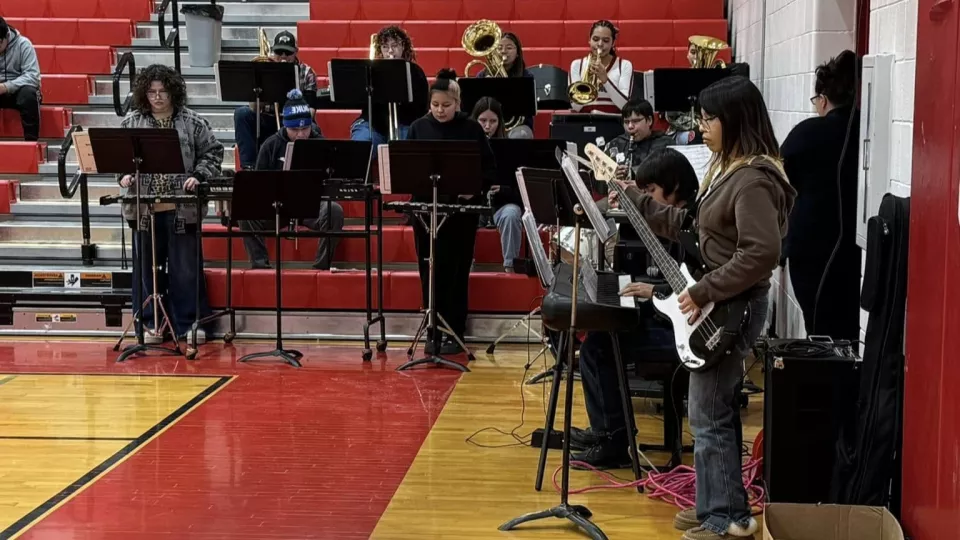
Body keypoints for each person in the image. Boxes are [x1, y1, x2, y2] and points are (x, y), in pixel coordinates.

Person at [612, 76, 795, 540]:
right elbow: (688, 226)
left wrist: (704, 290)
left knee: (709, 415)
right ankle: (721, 505)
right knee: (713, 413)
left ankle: (723, 519)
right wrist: (634, 197)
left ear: (734, 120)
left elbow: (761, 253)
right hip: (722, 302)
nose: (701, 125)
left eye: (709, 117)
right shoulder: (727, 168)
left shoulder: (753, 178)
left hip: (732, 307)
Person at [570, 148, 700, 469]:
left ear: (675, 188)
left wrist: (653, 290)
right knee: (601, 336)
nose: (648, 202)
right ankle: (608, 431)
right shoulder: (682, 218)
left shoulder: (693, 227)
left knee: (601, 347)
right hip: (673, 318)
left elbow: (700, 286)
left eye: (651, 193)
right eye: (642, 193)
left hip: (689, 334)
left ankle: (614, 439)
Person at [118, 64, 224, 344]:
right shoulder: (132, 123)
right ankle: (151, 324)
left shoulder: (194, 122)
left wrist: (199, 175)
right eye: (152, 92)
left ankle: (190, 323)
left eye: (163, 91)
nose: (157, 97)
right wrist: (124, 176)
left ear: (173, 92)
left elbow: (214, 154)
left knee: (185, 268)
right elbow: (118, 160)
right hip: (144, 210)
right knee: (146, 270)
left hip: (182, 209)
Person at [407, 69, 496, 355]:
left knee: (456, 271)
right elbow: (406, 167)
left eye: (446, 105)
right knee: (429, 268)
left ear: (457, 103)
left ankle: (454, 330)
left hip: (460, 213)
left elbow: (489, 169)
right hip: (426, 212)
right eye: (435, 105)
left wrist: (475, 187)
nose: (440, 110)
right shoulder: (419, 127)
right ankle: (432, 329)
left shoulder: (471, 128)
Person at [782, 50, 861, 340]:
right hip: (856, 252)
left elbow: (778, 182)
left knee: (819, 328)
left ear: (823, 99)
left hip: (812, 249)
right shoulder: (867, 131)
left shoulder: (807, 133)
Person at [240, 89, 344, 271]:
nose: (301, 134)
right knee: (245, 211)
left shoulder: (321, 144)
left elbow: (332, 182)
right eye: (295, 129)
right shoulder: (270, 145)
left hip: (311, 206)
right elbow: (257, 184)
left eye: (305, 128)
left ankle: (321, 267)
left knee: (334, 211)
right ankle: (260, 266)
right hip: (277, 205)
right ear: (285, 126)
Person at [233, 31, 318, 170]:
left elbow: (311, 111)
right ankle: (249, 168)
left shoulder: (307, 72)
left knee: (314, 128)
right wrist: (266, 85)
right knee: (242, 114)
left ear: (296, 52)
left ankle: (309, 169)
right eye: (279, 52)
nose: (283, 57)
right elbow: (254, 107)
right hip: (270, 118)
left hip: (296, 121)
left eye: (288, 53)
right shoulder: (264, 69)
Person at [349, 25, 429, 146]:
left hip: (406, 123)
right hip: (374, 124)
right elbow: (365, 105)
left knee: (402, 149)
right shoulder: (372, 71)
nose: (390, 51)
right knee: (362, 145)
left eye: (394, 46)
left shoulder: (415, 72)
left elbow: (422, 108)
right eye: (385, 47)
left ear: (403, 46)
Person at [470, 97, 522, 272]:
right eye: (483, 121)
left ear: (500, 123)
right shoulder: (465, 145)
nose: (487, 126)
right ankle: (464, 266)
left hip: (501, 204)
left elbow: (521, 191)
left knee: (511, 215)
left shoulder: (511, 149)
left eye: (493, 121)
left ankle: (510, 266)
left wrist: (504, 190)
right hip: (474, 204)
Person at [476, 32, 535, 136]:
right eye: (499, 48)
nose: (503, 51)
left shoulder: (526, 76)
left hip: (517, 125)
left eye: (509, 48)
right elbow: (475, 106)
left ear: (517, 53)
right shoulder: (482, 75)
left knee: (520, 135)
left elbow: (528, 110)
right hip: (487, 123)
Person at [568, 20, 633, 114]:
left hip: (614, 123)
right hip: (585, 123)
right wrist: (588, 80)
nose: (600, 44)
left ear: (613, 43)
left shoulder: (624, 65)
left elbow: (625, 106)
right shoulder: (577, 65)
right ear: (589, 40)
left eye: (606, 40)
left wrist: (605, 80)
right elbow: (576, 107)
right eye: (595, 39)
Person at [604, 99, 673, 180]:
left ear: (649, 120)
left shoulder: (666, 144)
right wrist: (611, 176)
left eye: (635, 121)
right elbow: (599, 186)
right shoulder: (615, 144)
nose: (630, 126)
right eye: (626, 122)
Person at [0, 17, 41, 141]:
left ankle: (31, 144)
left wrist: (6, 87)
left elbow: (33, 77)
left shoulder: (24, 45)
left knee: (28, 94)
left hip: (18, 90)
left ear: (7, 35)